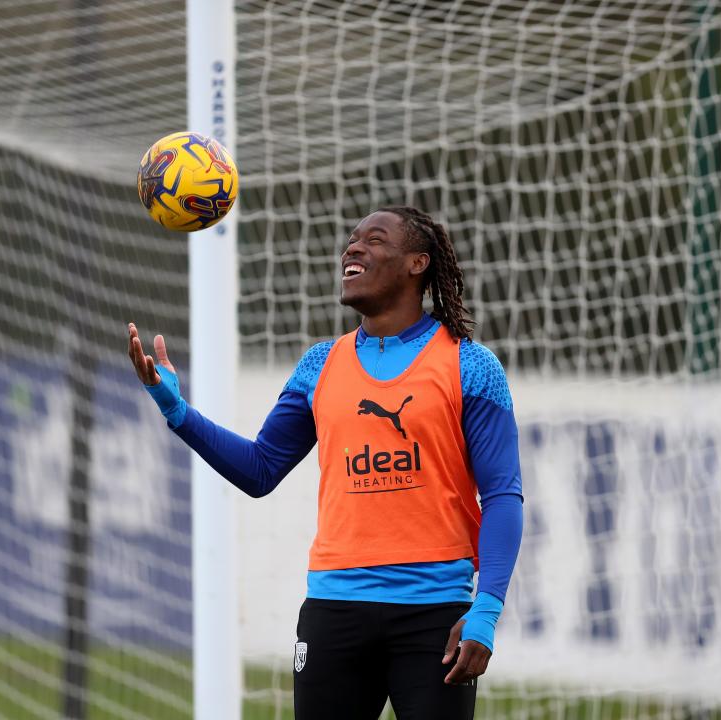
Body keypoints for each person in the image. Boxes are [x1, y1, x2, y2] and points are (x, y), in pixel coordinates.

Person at [128, 205, 523, 720]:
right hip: (334, 611)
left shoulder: (471, 365)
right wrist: (177, 411)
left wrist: (486, 611)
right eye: (351, 240)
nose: (352, 249)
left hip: (434, 617)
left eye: (374, 240)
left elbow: (502, 497)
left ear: (417, 263)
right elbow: (259, 468)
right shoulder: (320, 364)